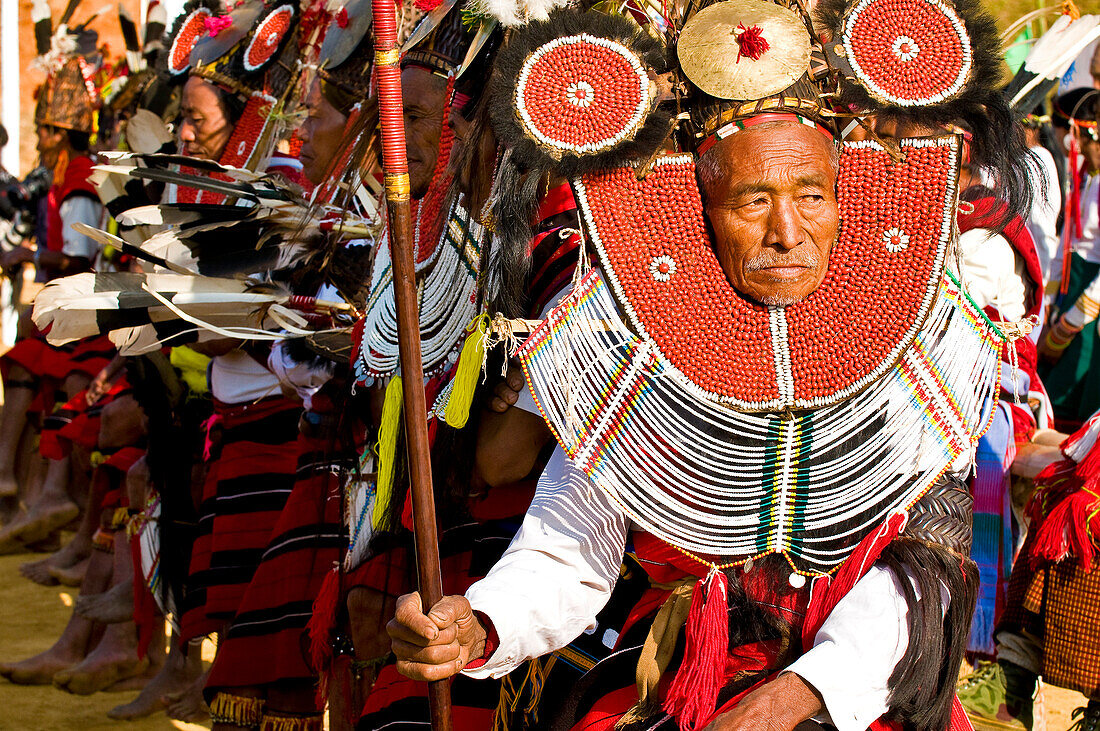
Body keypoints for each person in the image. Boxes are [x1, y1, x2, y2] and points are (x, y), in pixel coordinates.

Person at [384, 0, 1033, 728]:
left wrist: (790, 697)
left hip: (859, 687)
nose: (788, 233)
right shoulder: (641, 341)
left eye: (811, 195)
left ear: (844, 196)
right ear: (702, 209)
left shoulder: (917, 340)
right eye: (753, 200)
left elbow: (929, 574)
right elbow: (570, 545)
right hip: (674, 676)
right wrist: (482, 622)